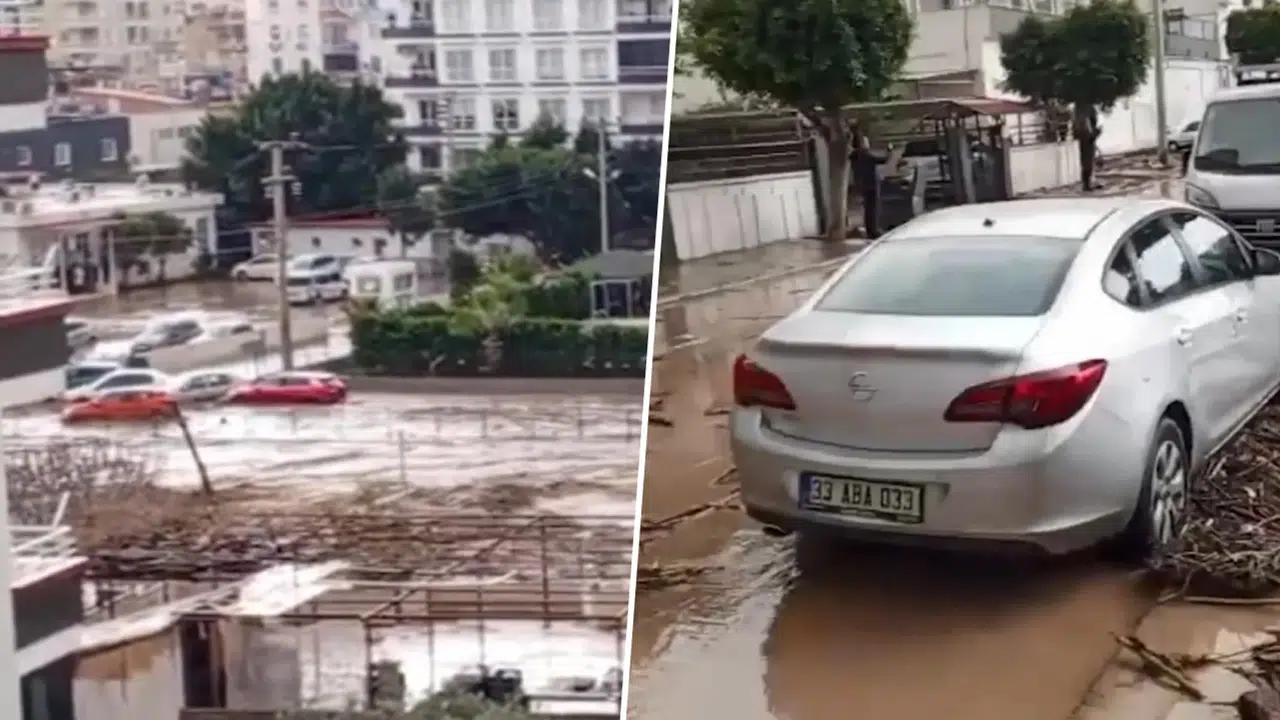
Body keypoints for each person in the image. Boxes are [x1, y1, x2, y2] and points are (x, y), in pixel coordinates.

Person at [850, 134, 884, 238]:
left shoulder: (854, 156)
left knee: (868, 208)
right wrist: (890, 151)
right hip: (871, 184)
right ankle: (873, 230)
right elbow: (883, 160)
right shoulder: (865, 155)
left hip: (863, 184)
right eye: (866, 141)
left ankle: (870, 230)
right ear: (861, 144)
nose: (867, 143)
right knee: (873, 208)